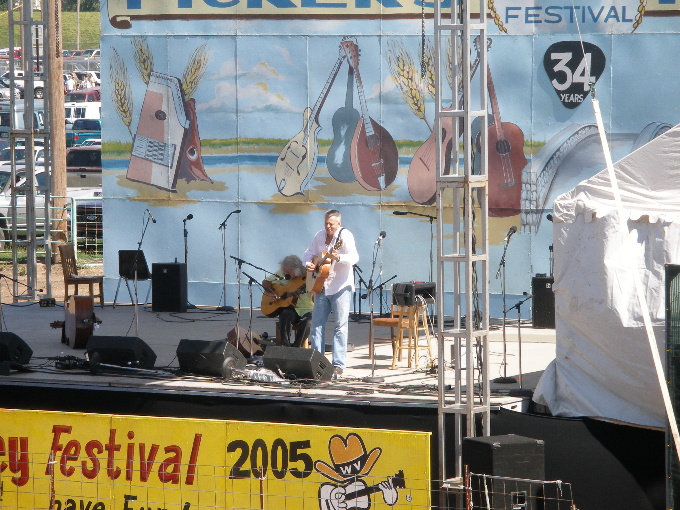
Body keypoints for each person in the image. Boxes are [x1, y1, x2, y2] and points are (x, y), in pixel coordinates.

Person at [303, 209, 359, 378]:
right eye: (326, 223)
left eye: (331, 224)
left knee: (340, 326)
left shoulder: (345, 236)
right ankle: (318, 361)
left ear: (339, 224)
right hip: (321, 285)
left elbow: (354, 257)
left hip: (340, 286)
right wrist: (309, 263)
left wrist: (339, 258)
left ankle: (338, 364)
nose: (328, 226)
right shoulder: (319, 235)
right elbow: (309, 253)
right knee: (316, 325)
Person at [262, 255, 313, 348]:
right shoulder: (282, 272)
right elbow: (266, 282)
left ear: (297, 270)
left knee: (308, 322)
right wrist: (270, 293)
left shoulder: (308, 275)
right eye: (285, 271)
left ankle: (297, 348)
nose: (286, 273)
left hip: (306, 309)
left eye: (288, 272)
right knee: (285, 314)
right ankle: (285, 346)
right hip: (291, 309)